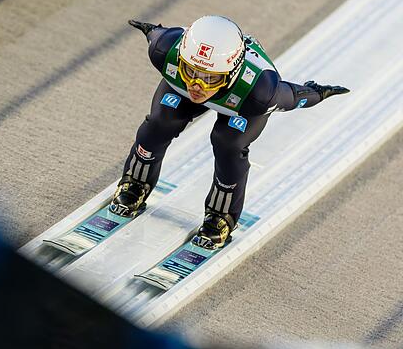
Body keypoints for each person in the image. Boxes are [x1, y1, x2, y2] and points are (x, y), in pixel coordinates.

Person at [111, 15, 349, 250]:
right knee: (160, 123)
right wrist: (151, 30)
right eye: (190, 71)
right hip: (223, 94)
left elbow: (293, 97)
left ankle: (221, 215)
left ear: (233, 73)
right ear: (181, 59)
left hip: (240, 105)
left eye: (209, 78)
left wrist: (317, 93)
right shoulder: (163, 49)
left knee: (228, 144)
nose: (197, 86)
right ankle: (135, 182)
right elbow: (155, 33)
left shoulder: (260, 91)